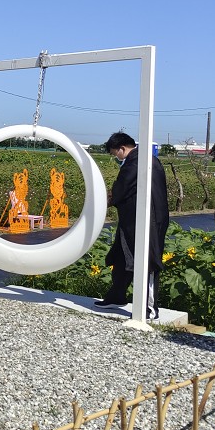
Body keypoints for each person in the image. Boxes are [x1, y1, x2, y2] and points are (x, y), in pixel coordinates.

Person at [94, 132, 170, 320]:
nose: (115, 157)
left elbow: (120, 190)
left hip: (147, 222)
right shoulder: (148, 160)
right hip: (134, 219)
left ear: (122, 149)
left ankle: (150, 308)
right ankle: (117, 296)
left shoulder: (134, 164)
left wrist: (102, 202)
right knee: (122, 257)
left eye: (115, 154)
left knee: (147, 261)